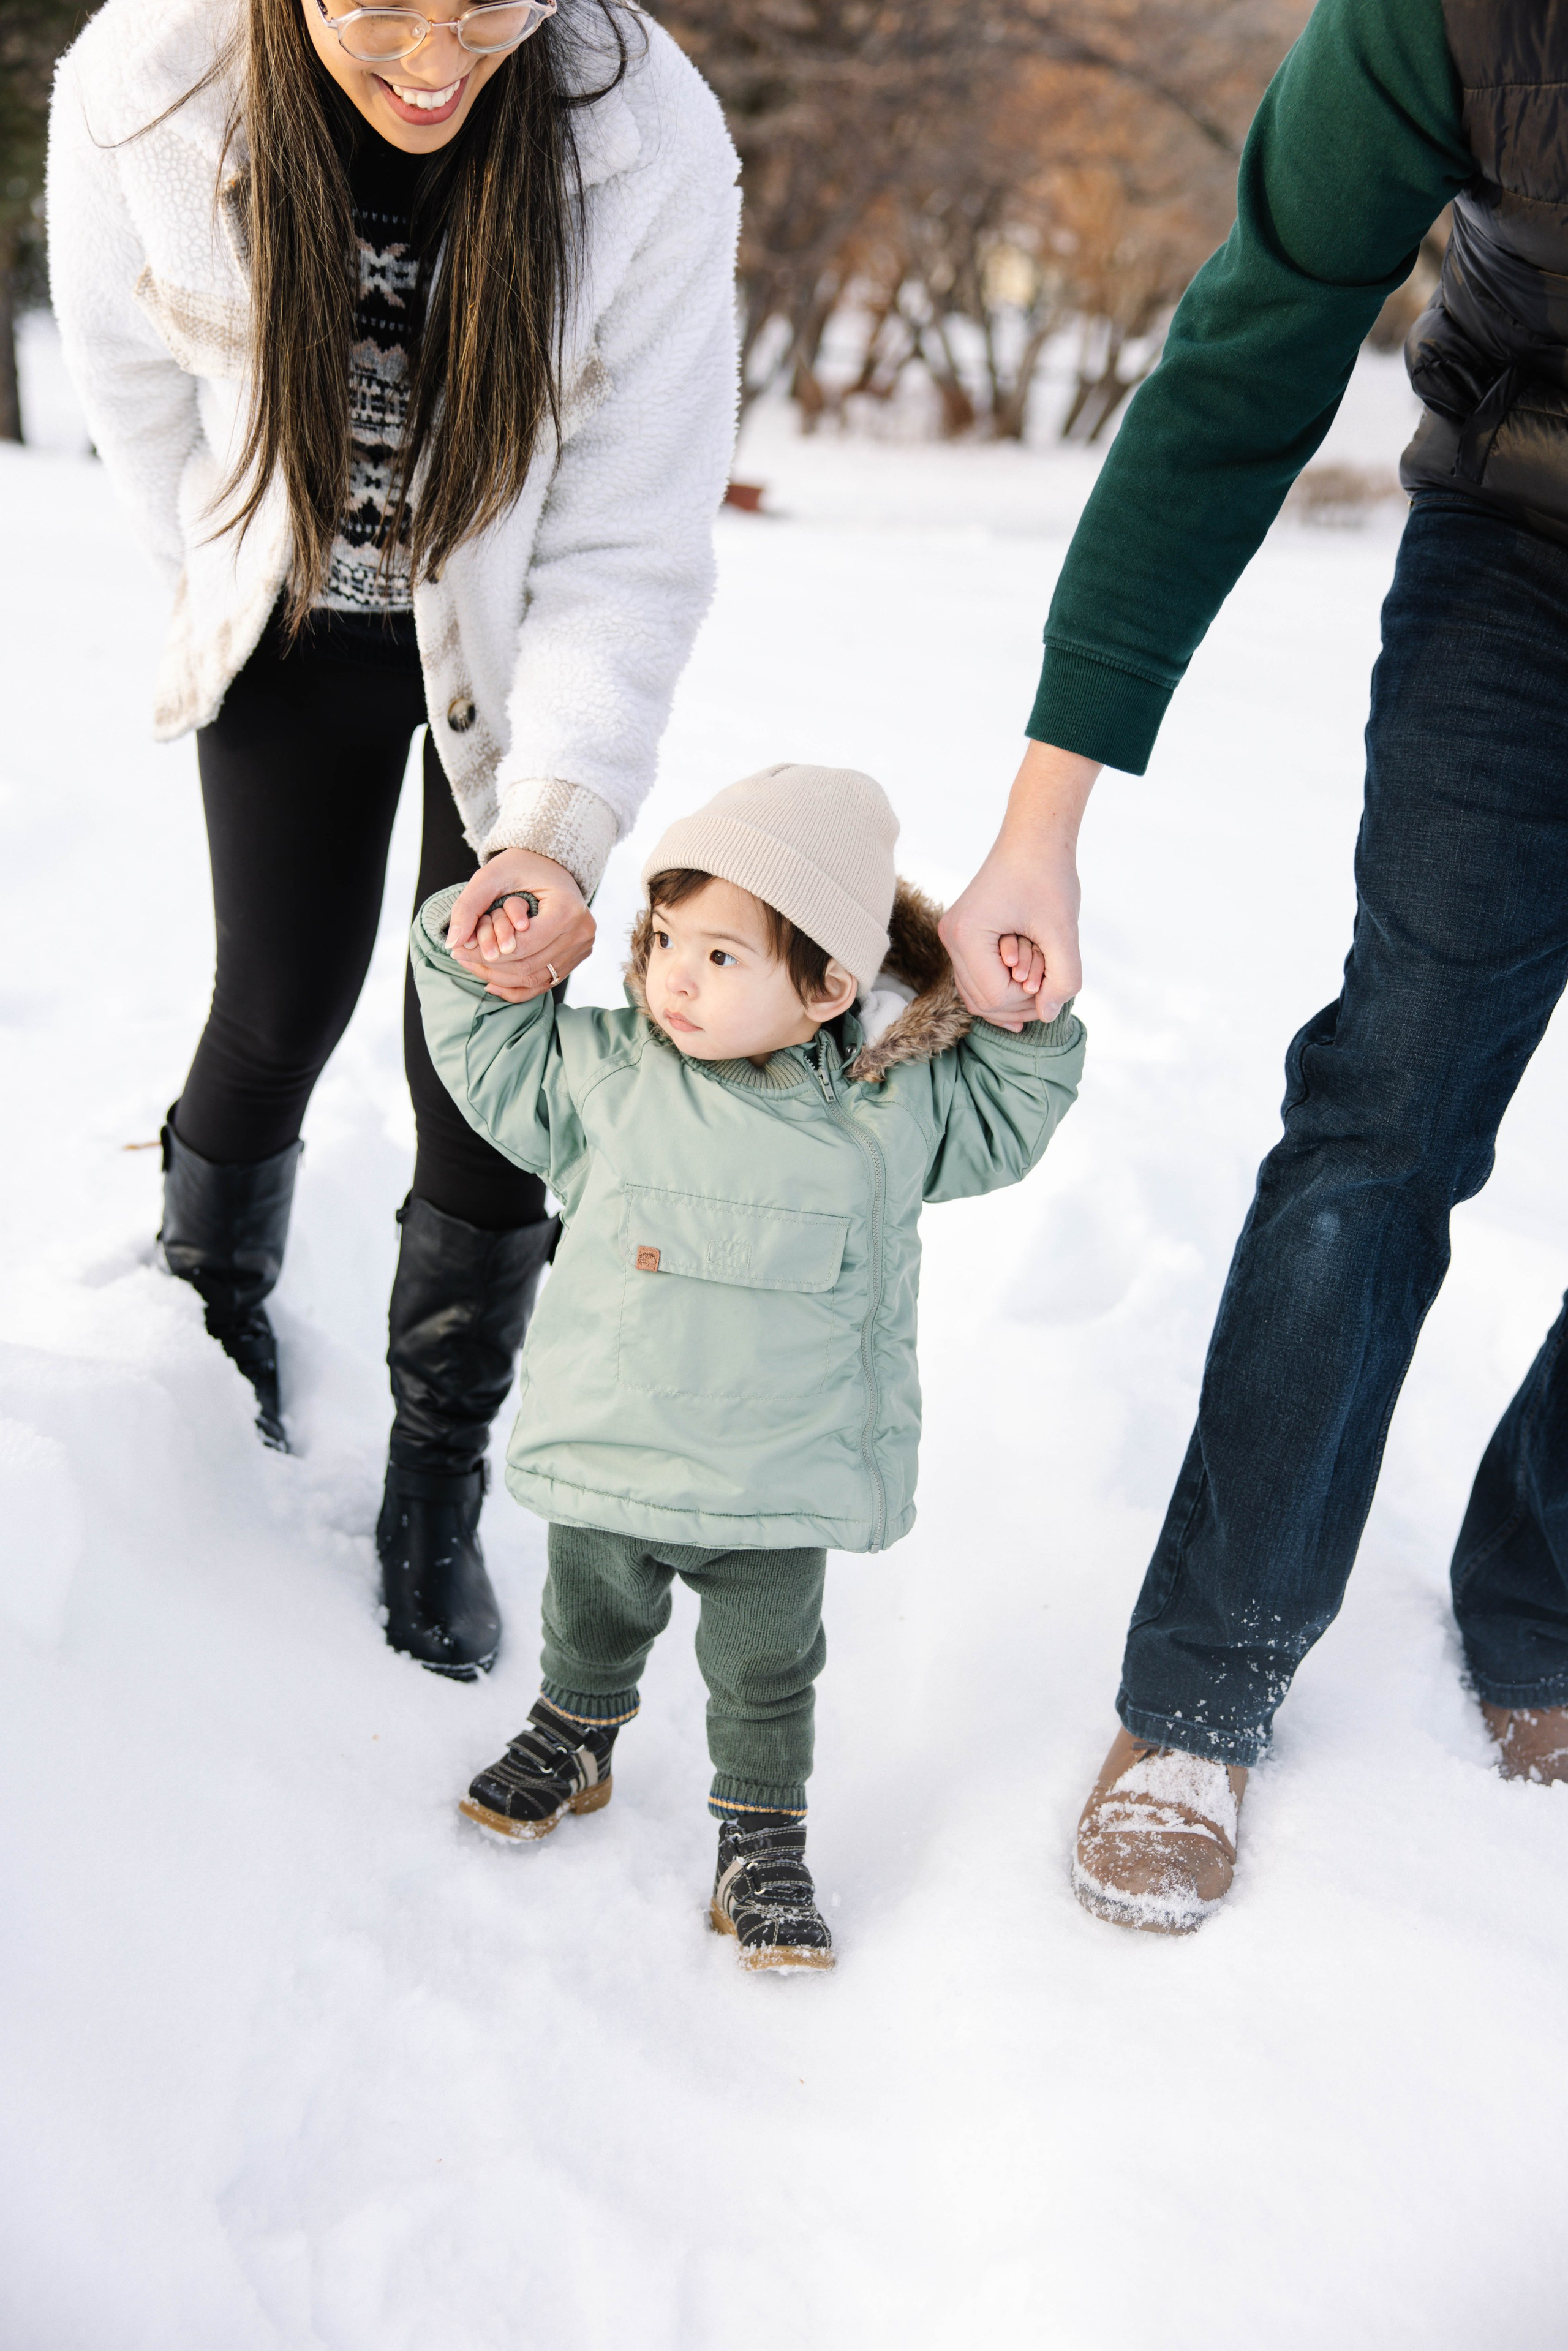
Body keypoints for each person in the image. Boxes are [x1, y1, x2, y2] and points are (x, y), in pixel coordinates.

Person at [937, 0, 1568, 1932]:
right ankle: (1203, 1682)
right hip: (1532, 551)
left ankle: (1543, 1597)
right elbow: (1247, 356)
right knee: (1395, 1100)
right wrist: (1044, 813)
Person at [47, 0, 739, 1678]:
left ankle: (437, 1467)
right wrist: (216, 578)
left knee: (482, 1058)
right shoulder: (149, 84)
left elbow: (631, 530)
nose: (436, 66)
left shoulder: (645, 136)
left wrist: (554, 823)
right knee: (275, 1001)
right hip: (287, 628)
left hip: (519, 658)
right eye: (383, 15)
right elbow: (133, 388)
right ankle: (211, 1335)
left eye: (486, 11)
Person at [407, 763, 1087, 1968]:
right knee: (589, 1615)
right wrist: (483, 946)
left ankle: (760, 1835)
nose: (674, 975)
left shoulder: (888, 1111)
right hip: (617, 1451)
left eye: (722, 955)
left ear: (828, 986)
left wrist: (1021, 1020)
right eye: (666, 937)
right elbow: (489, 1050)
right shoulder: (606, 1076)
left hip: (776, 1480)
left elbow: (997, 1117)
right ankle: (575, 1727)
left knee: (766, 1667)